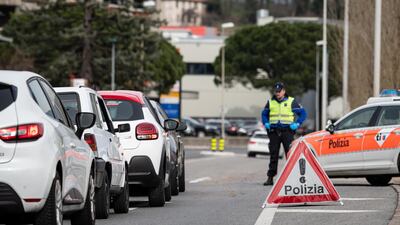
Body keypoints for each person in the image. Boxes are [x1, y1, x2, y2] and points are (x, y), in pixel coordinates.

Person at [261, 82, 307, 185]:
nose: (277, 93)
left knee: (289, 154)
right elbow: (264, 114)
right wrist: (266, 123)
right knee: (273, 154)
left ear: (284, 91)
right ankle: (270, 177)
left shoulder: (292, 101)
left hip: (287, 131)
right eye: (276, 91)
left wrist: (297, 123)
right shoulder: (270, 102)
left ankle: (293, 177)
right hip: (274, 131)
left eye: (279, 91)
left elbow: (303, 113)